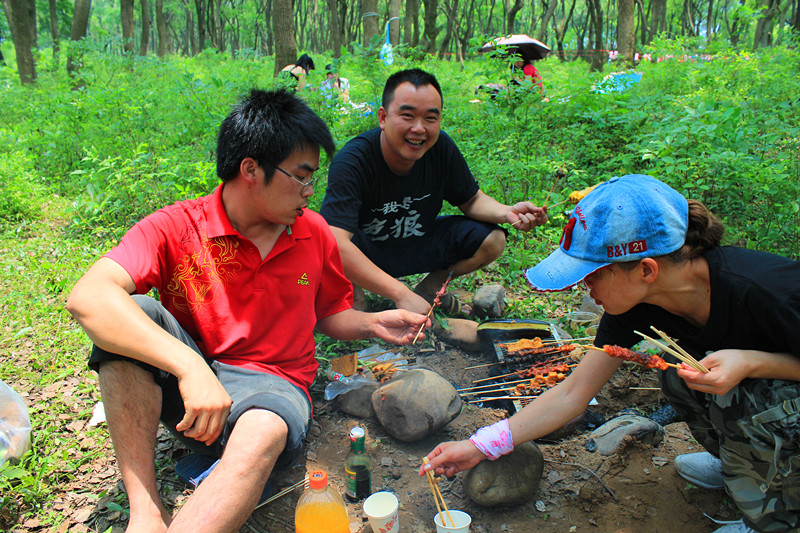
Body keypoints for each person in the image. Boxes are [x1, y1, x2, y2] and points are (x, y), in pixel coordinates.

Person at [66, 88, 428, 533]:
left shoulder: (311, 232)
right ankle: (145, 512)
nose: (310, 192)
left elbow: (328, 313)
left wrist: (373, 322)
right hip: (193, 396)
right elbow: (87, 297)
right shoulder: (177, 227)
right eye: (301, 177)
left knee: (263, 429)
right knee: (134, 310)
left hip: (274, 388)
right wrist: (190, 369)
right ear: (251, 169)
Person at [421, 174, 800, 533]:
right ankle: (739, 466)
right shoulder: (637, 303)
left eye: (592, 275)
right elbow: (573, 393)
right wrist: (478, 446)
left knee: (759, 394)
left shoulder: (769, 292)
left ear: (646, 269)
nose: (586, 290)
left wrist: (753, 362)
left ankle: (776, 514)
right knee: (676, 371)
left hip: (784, 394)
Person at [320, 68, 548, 317]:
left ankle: (429, 289)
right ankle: (356, 295)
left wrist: (508, 212)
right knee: (335, 244)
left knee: (493, 238)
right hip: (368, 251)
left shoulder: (441, 149)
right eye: (407, 116)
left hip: (417, 242)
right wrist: (400, 294)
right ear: (383, 118)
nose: (419, 129)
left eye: (430, 118)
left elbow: (471, 200)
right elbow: (336, 242)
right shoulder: (353, 161)